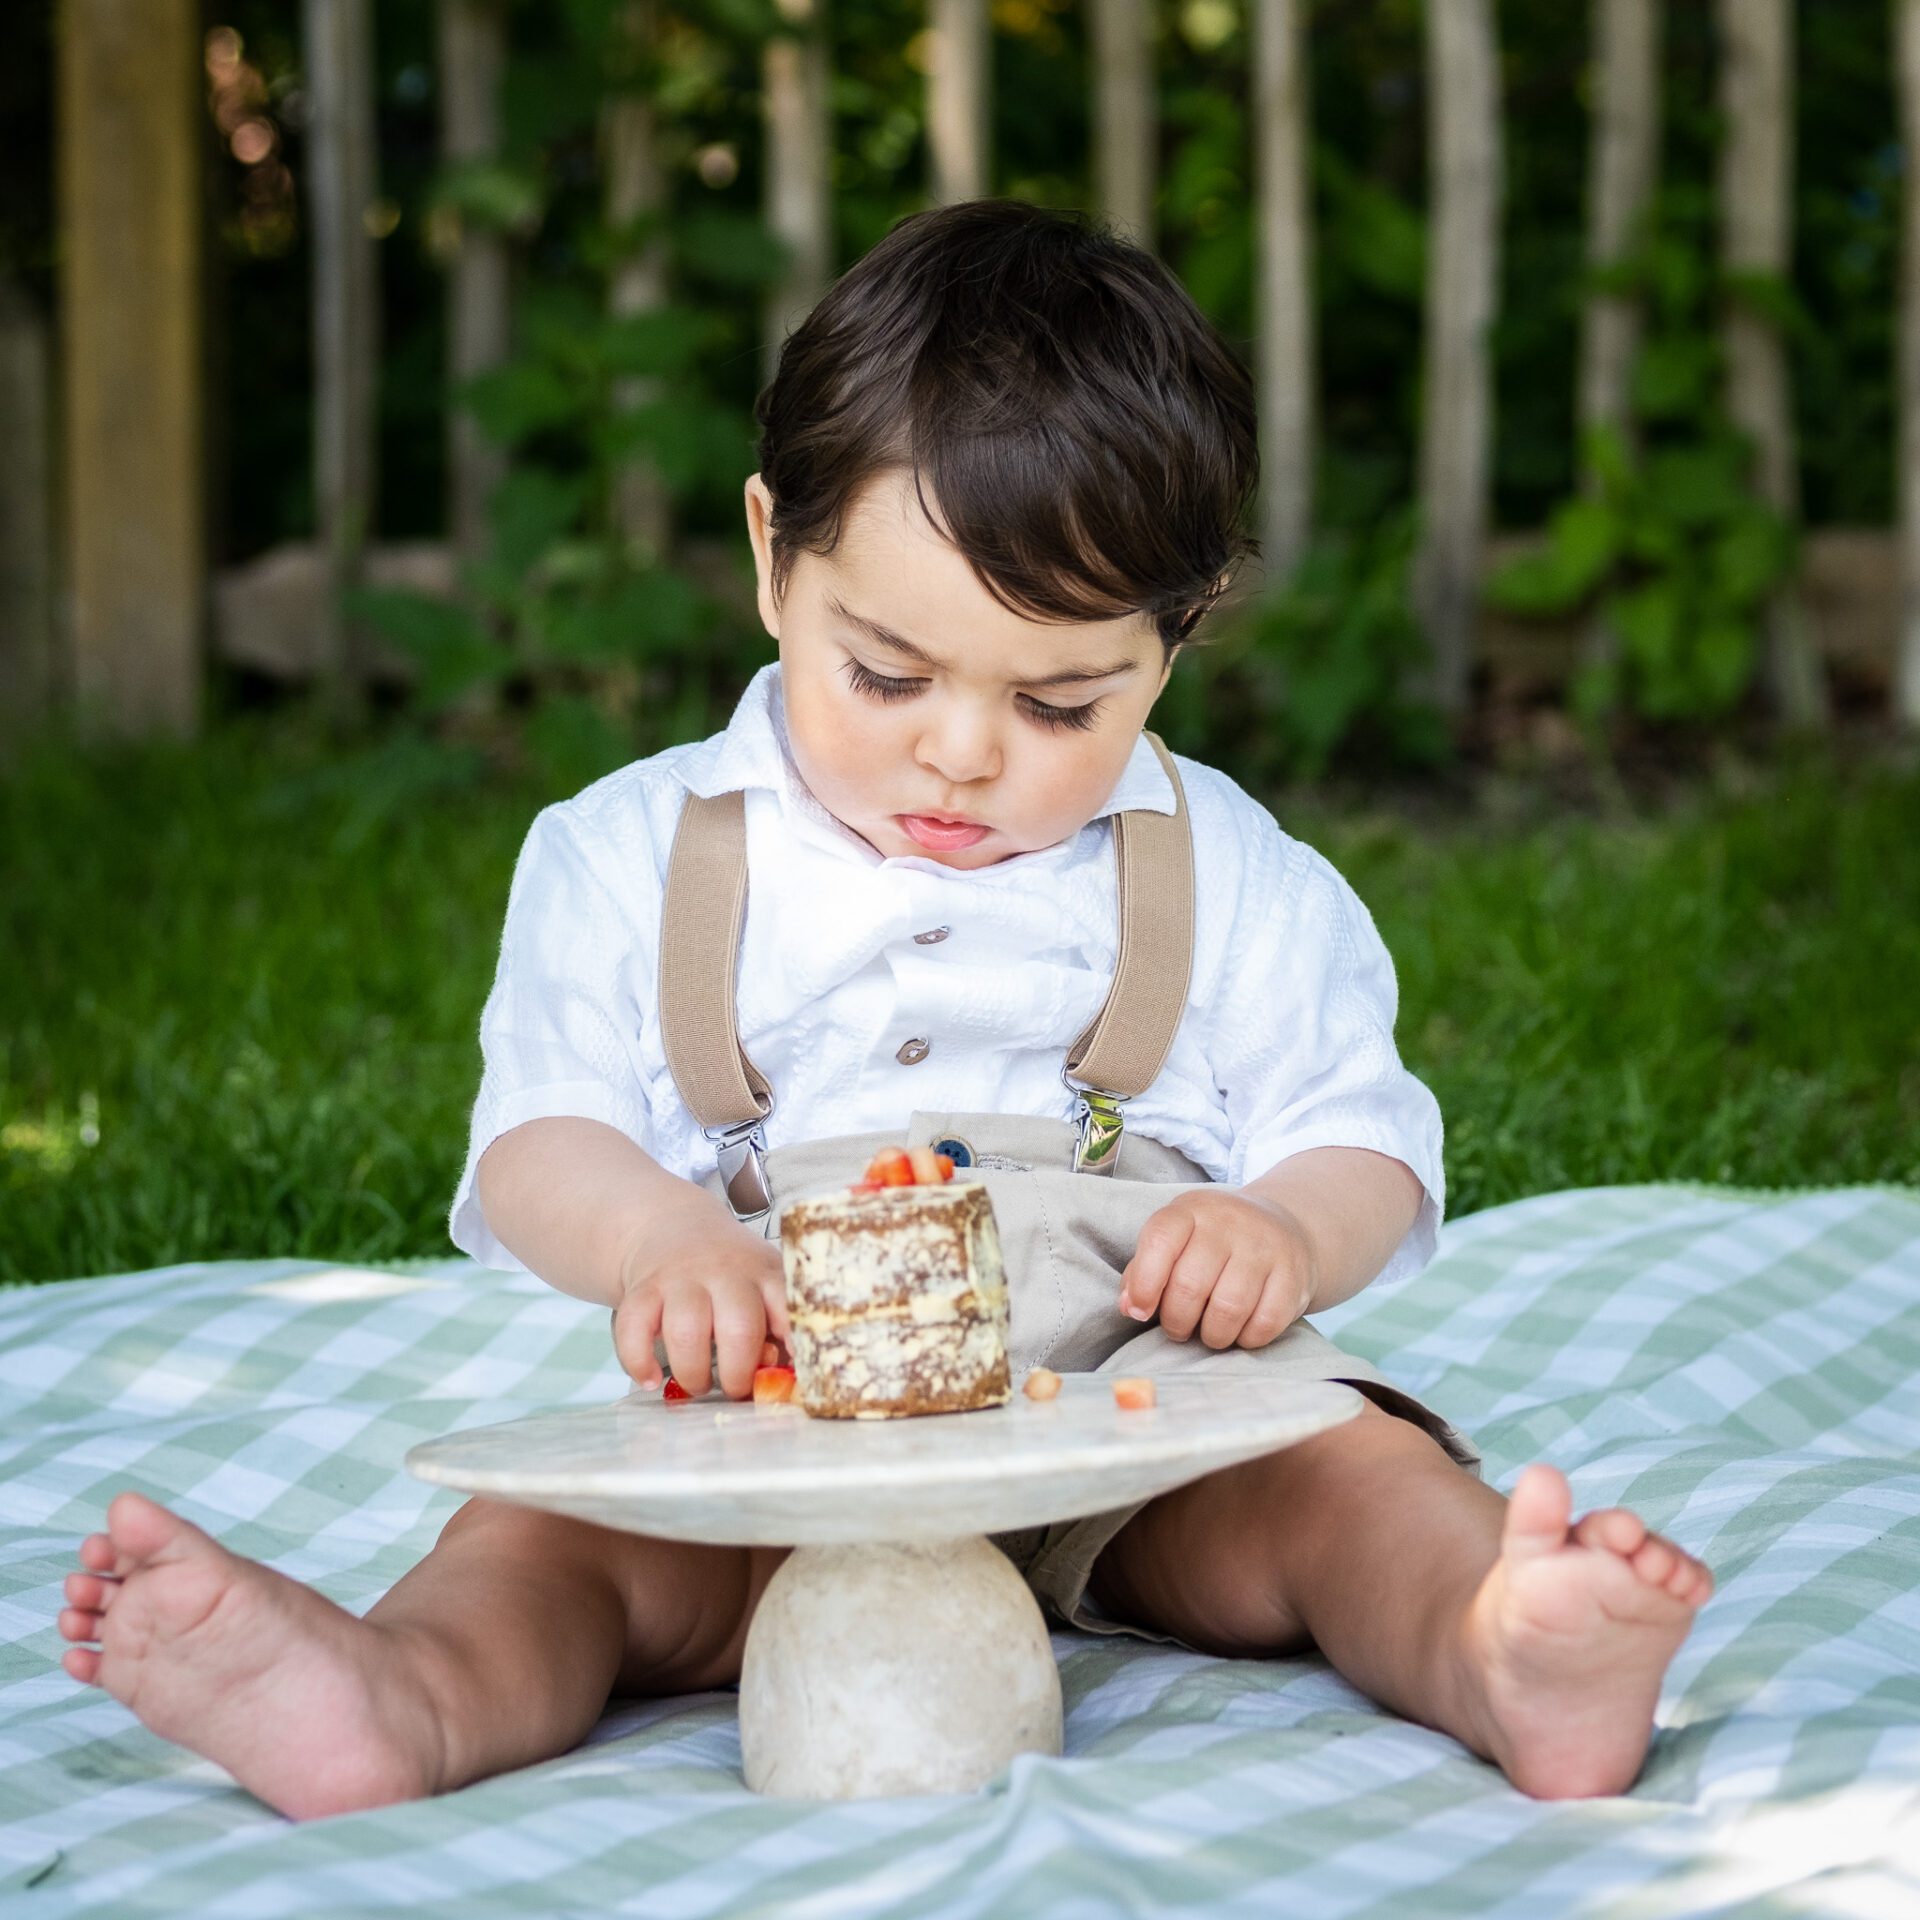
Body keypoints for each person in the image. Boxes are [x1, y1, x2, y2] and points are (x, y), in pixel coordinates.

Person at [54, 200, 1712, 1820]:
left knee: (1349, 1477)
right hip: (779, 1407)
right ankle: (395, 1698)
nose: (963, 752)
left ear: (1177, 637)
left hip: (1143, 1403)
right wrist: (658, 1242)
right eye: (890, 675)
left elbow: (1364, 1137)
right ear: (774, 557)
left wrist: (1283, 1228)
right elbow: (537, 1139)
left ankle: (1502, 1646)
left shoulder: (1229, 869)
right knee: (551, 1545)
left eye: (1060, 702)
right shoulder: (632, 851)